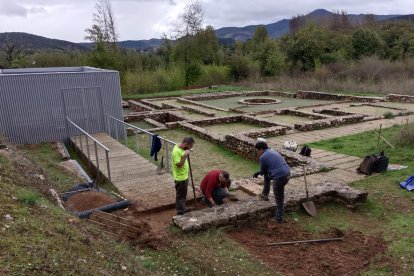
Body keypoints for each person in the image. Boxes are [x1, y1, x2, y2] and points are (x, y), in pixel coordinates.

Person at [253, 141, 290, 223]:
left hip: (279, 177)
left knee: (279, 199)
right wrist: (260, 172)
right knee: (267, 177)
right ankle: (265, 194)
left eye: (258, 151)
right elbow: (265, 172)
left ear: (261, 149)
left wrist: (259, 172)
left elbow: (262, 170)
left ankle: (279, 219)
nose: (258, 153)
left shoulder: (263, 157)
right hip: (287, 173)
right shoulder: (273, 151)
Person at [171, 136, 195, 215]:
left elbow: (185, 150)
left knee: (183, 194)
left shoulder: (182, 147)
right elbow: (179, 165)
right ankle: (180, 211)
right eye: (190, 146)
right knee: (180, 195)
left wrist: (186, 150)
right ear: (186, 144)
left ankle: (182, 208)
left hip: (184, 176)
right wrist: (185, 155)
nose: (190, 148)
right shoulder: (176, 152)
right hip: (180, 178)